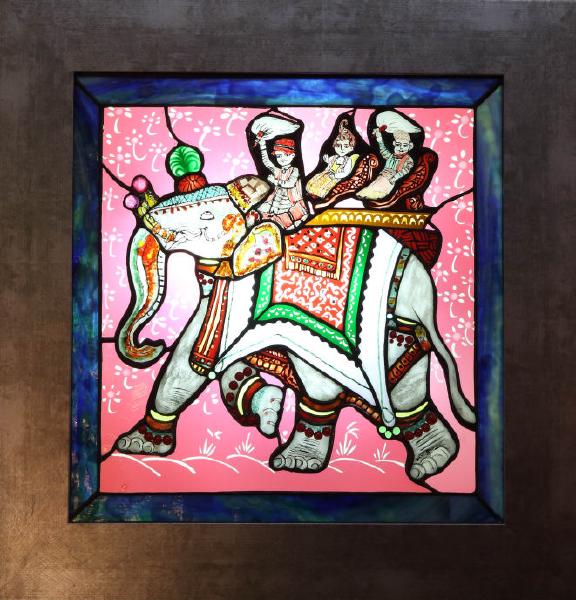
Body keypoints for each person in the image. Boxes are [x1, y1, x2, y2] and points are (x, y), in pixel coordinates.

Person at [358, 111, 421, 201]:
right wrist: (379, 137)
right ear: (394, 144)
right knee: (371, 188)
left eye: (404, 145)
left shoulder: (408, 160)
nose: (401, 148)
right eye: (398, 145)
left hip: (389, 181)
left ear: (409, 146)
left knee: (377, 191)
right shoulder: (391, 156)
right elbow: (383, 149)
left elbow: (405, 171)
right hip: (381, 178)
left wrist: (394, 178)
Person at [257, 136, 309, 230]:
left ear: (292, 155)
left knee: (284, 218)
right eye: (279, 156)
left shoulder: (294, 170)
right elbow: (266, 161)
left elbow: (290, 183)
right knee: (265, 212)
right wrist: (262, 145)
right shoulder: (278, 170)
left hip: (288, 200)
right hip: (275, 198)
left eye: (286, 155)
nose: (282, 159)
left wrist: (275, 181)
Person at [306, 119, 359, 200]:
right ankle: (311, 192)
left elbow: (346, 172)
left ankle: (318, 195)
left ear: (351, 148)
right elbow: (330, 162)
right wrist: (327, 160)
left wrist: (335, 175)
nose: (342, 149)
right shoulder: (334, 157)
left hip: (335, 179)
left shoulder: (348, 160)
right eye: (338, 145)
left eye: (345, 146)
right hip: (326, 174)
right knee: (316, 180)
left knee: (324, 186)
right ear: (334, 146)